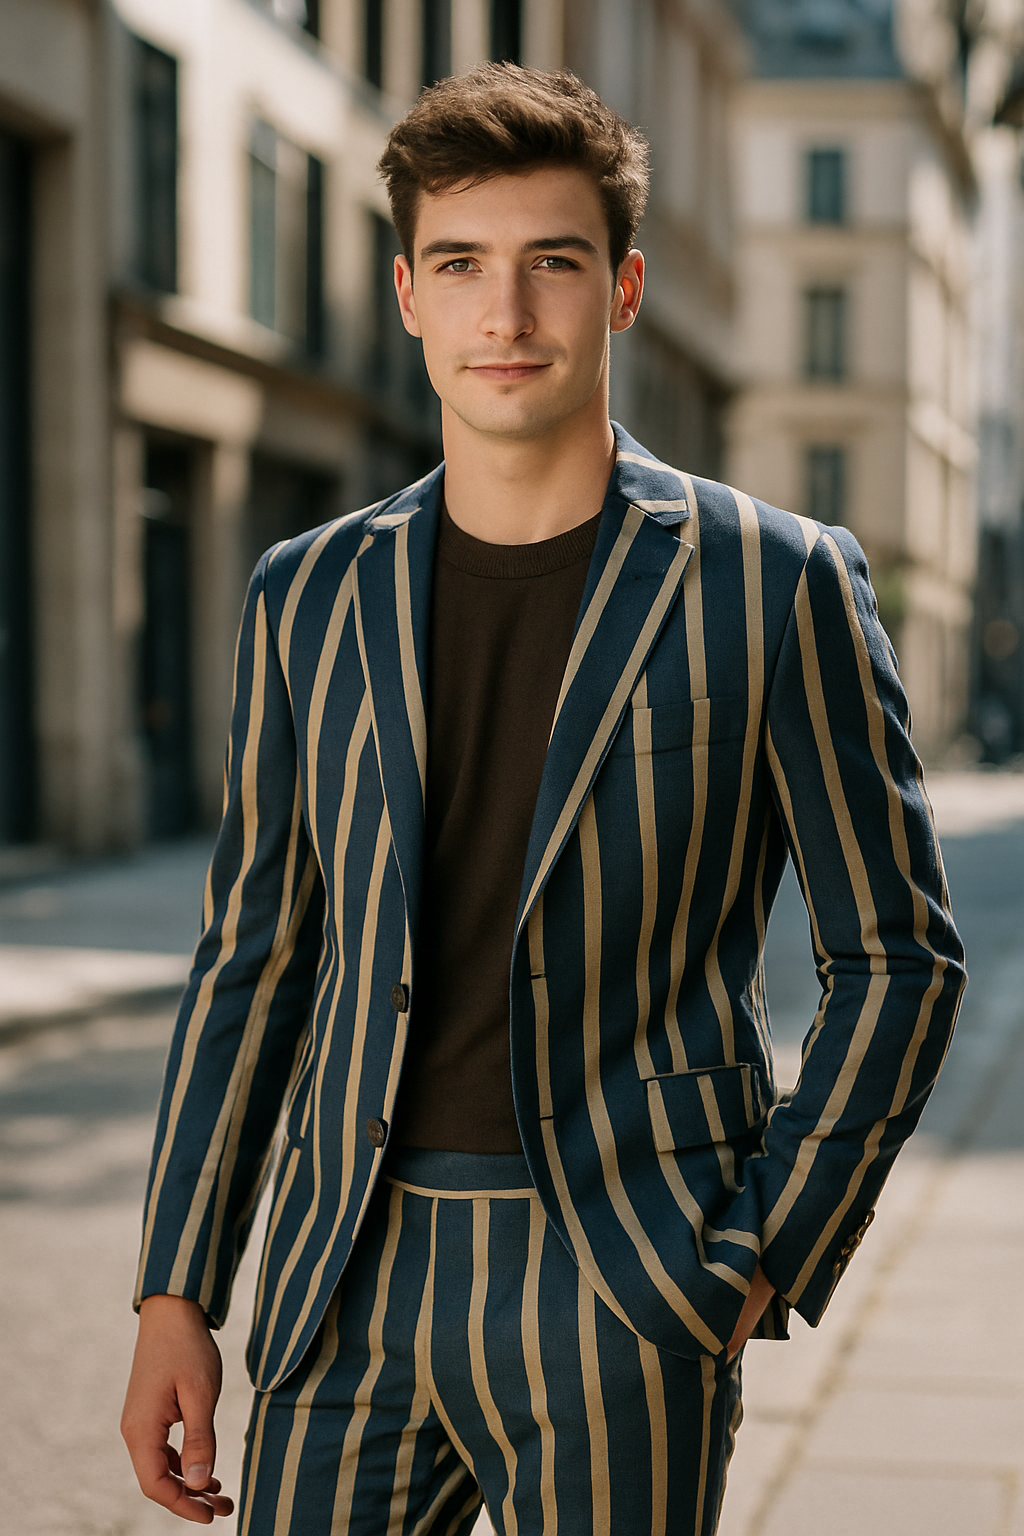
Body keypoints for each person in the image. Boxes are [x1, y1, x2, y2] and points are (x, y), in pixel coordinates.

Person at [121, 63, 965, 1536]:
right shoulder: (304, 597)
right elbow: (254, 961)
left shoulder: (776, 583)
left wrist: (763, 1249)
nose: (504, 316)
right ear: (406, 294)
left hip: (630, 1277)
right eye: (461, 266)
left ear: (624, 289)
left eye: (552, 266)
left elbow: (898, 955)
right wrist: (177, 1289)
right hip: (348, 1277)